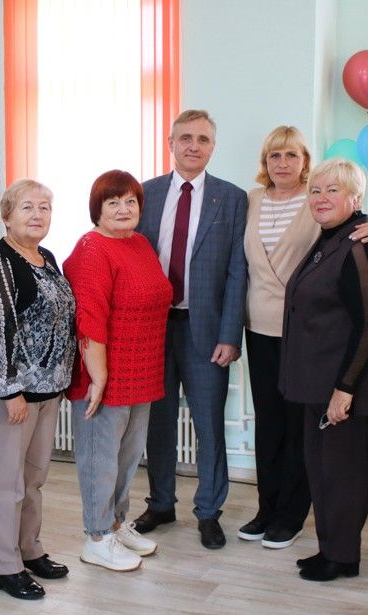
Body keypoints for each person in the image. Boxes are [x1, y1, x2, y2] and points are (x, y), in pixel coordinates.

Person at [132, 109, 248, 550]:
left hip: (207, 333)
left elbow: (237, 271)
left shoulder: (231, 198)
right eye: (185, 138)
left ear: (213, 147)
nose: (193, 146)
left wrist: (230, 335)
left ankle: (209, 512)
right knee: (158, 423)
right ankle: (161, 503)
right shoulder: (144, 194)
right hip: (154, 331)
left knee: (209, 425)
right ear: (171, 143)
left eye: (202, 139)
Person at [279, 158, 368, 582]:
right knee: (322, 471)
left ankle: (343, 557)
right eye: (316, 190)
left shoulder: (362, 245)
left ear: (355, 198)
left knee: (343, 475)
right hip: (316, 383)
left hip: (344, 387)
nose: (321, 198)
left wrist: (345, 388)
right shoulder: (329, 240)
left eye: (333, 190)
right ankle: (330, 548)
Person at [0, 179, 76, 599]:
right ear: (7, 215)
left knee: (33, 479)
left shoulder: (47, 258)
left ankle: (29, 549)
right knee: (5, 483)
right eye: (27, 207)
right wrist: (9, 391)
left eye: (45, 207)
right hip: (8, 394)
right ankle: (5, 565)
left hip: (47, 390)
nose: (37, 214)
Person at [63, 170, 172, 571]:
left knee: (126, 459)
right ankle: (95, 538)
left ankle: (114, 523)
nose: (124, 209)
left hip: (141, 371)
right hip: (104, 376)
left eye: (130, 201)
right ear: (97, 209)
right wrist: (99, 376)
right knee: (100, 459)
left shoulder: (138, 243)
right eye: (113, 202)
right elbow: (89, 318)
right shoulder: (92, 248)